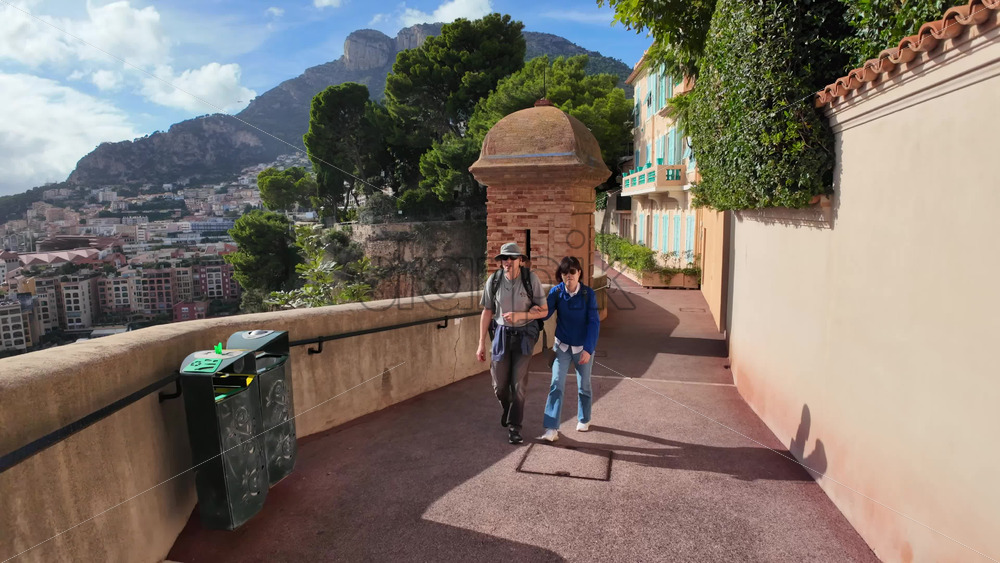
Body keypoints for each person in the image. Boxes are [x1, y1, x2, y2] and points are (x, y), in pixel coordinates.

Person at [476, 242, 547, 444]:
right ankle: (507, 408)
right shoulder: (495, 280)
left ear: (521, 261)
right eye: (504, 258)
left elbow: (544, 310)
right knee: (499, 384)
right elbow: (487, 311)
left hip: (525, 335)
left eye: (512, 258)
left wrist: (520, 315)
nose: (507, 261)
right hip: (501, 335)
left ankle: (515, 426)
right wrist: (481, 343)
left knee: (518, 384)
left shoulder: (530, 279)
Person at [537, 256, 600, 442]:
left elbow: (594, 323)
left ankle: (584, 418)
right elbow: (545, 313)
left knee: (584, 386)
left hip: (582, 348)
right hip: (562, 347)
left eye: (572, 272)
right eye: (565, 272)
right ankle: (551, 428)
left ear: (579, 273)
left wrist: (588, 349)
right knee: (556, 383)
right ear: (561, 275)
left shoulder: (588, 294)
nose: (569, 276)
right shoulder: (556, 292)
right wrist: (528, 313)